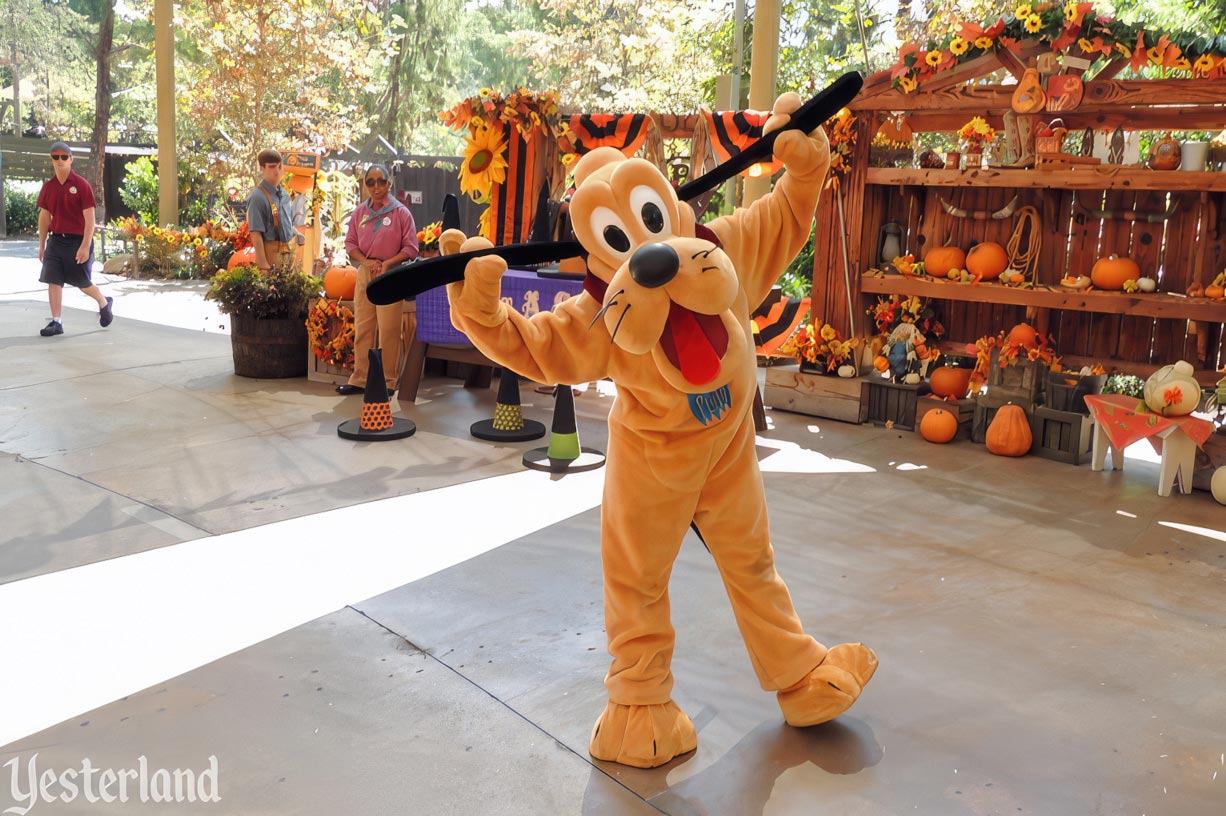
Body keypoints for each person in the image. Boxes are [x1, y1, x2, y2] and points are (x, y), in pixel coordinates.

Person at [336, 164, 418, 397]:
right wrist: (366, 262)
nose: (376, 187)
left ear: (389, 183)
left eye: (380, 181)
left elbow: (411, 248)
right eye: (370, 182)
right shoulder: (360, 213)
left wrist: (388, 264)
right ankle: (360, 378)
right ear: (365, 184)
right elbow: (350, 243)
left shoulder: (401, 213)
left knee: (390, 329)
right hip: (366, 273)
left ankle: (388, 381)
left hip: (391, 274)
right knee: (363, 326)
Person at [36, 141, 112, 336]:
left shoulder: (81, 185)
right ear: (51, 159)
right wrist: (42, 245)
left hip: (77, 241)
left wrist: (85, 246)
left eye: (64, 156)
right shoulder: (48, 187)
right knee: (53, 280)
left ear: (71, 159)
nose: (59, 160)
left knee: (82, 283)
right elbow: (44, 218)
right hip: (56, 241)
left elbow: (90, 220)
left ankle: (104, 303)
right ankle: (56, 322)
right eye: (55, 157)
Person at [246, 149, 303, 271]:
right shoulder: (257, 197)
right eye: (272, 167)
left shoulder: (286, 196)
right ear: (262, 168)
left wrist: (296, 233)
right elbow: (255, 233)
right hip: (270, 255)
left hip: (288, 253)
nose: (277, 171)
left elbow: (288, 223)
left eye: (280, 166)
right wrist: (262, 264)